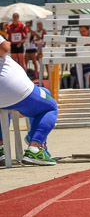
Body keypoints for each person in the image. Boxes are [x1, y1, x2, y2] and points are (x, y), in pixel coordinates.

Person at [1, 33, 59, 165]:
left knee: (43, 92)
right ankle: (35, 146)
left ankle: (1, 149)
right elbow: (4, 48)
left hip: (6, 96)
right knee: (49, 106)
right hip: (12, 89)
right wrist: (7, 42)